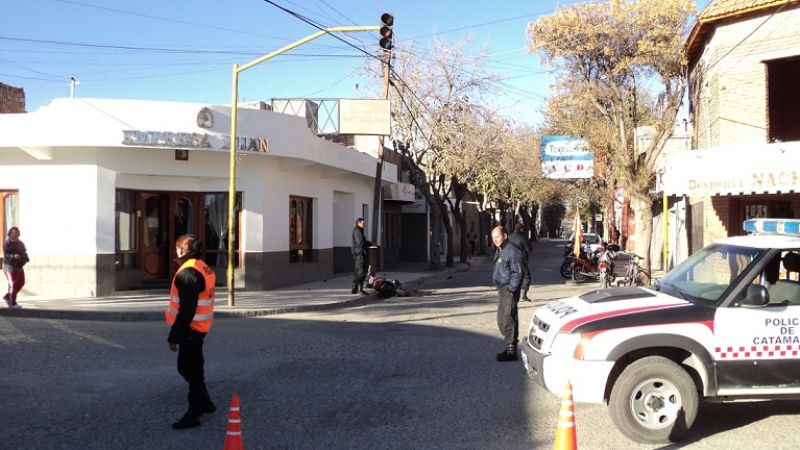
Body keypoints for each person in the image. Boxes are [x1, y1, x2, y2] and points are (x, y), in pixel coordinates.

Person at [166, 234, 217, 430]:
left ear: (180, 250)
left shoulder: (187, 273)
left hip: (191, 329)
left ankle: (194, 411)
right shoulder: (202, 266)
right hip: (200, 327)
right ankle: (205, 403)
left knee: (187, 369)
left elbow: (187, 310)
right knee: (194, 368)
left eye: (176, 249)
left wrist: (174, 337)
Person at [491, 225, 523, 362]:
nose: (495, 240)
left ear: (504, 236)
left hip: (508, 290)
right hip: (502, 289)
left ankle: (511, 350)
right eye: (493, 238)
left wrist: (511, 288)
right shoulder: (501, 249)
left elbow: (518, 272)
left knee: (509, 319)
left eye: (497, 237)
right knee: (501, 320)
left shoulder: (512, 251)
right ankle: (508, 343)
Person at [3, 227, 28, 309]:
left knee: (21, 282)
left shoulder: (20, 243)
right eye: (13, 232)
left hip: (19, 265)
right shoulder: (8, 243)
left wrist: (26, 258)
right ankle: (12, 303)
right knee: (13, 284)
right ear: (10, 234)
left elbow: (24, 252)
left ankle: (8, 296)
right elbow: (6, 254)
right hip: (9, 266)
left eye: (16, 232)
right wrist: (13, 256)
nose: (15, 234)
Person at [508, 223, 533, 302]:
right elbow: (529, 249)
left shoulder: (509, 237)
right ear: (521, 229)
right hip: (520, 260)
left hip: (509, 259)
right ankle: (524, 295)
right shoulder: (522, 237)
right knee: (526, 276)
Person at [351, 218, 371, 295]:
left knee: (359, 271)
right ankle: (358, 288)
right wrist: (368, 244)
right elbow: (360, 243)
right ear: (358, 223)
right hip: (359, 253)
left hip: (359, 252)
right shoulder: (357, 230)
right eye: (363, 223)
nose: (364, 225)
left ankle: (356, 289)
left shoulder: (359, 230)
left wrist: (368, 243)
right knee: (361, 271)